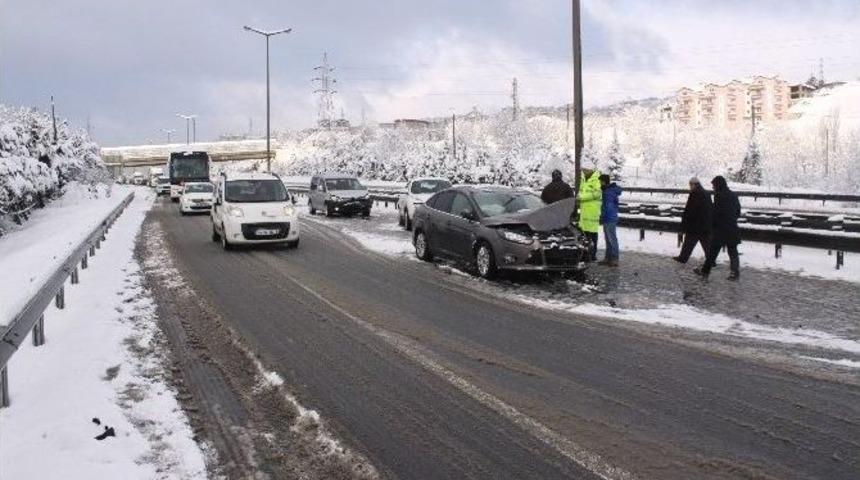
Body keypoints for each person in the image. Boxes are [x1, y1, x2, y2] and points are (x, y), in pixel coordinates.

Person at [695, 175, 741, 280]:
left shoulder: (718, 196)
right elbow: (738, 211)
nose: (713, 188)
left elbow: (715, 213)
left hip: (720, 229)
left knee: (713, 251)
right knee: (733, 251)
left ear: (718, 185)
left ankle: (705, 271)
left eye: (714, 185)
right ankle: (735, 273)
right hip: (732, 227)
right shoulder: (734, 195)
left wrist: (712, 225)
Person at [673, 177, 713, 264]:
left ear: (694, 184)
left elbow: (690, 210)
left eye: (690, 185)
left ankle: (683, 258)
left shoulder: (694, 194)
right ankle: (711, 260)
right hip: (705, 224)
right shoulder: (707, 193)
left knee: (689, 242)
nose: (690, 187)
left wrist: (685, 224)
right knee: (706, 243)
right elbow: (710, 209)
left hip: (695, 224)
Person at [577, 161, 602, 262]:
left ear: (590, 170)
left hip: (592, 212)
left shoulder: (596, 180)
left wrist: (582, 197)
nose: (583, 171)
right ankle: (586, 254)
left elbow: (597, 194)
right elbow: (581, 191)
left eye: (585, 170)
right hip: (584, 212)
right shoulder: (584, 179)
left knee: (592, 235)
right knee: (585, 235)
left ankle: (592, 255)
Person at [598, 174, 622, 266]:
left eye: (600, 181)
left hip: (609, 218)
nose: (599, 183)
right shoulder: (607, 190)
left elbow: (608, 206)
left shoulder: (608, 192)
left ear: (604, 181)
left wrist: (603, 216)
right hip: (608, 217)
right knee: (608, 239)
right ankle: (608, 258)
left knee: (612, 238)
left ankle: (615, 258)